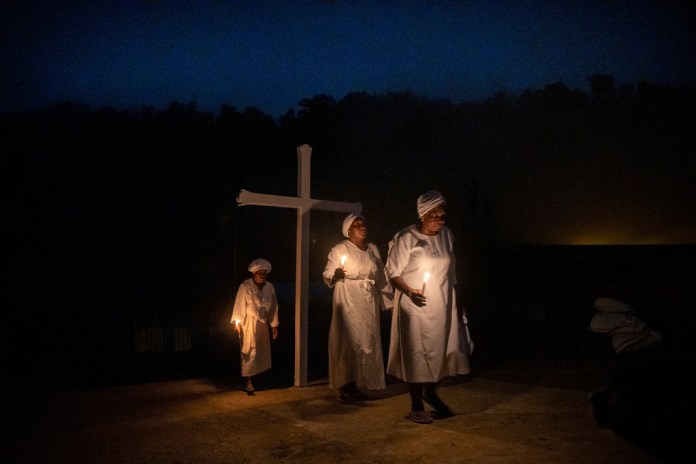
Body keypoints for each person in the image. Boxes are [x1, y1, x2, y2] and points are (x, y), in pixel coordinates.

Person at [384, 190, 471, 424]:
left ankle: (430, 391)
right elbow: (392, 272)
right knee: (416, 354)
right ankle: (416, 404)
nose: (440, 221)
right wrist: (409, 291)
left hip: (441, 304)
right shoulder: (406, 238)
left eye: (443, 216)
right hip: (414, 306)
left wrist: (459, 303)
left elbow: (452, 273)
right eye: (435, 216)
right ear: (423, 214)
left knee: (439, 351)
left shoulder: (447, 236)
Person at [322, 213, 393, 403]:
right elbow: (328, 274)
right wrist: (336, 275)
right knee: (348, 342)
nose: (362, 227)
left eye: (363, 223)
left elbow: (382, 277)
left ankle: (359, 384)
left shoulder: (373, 249)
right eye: (357, 225)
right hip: (347, 298)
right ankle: (345, 386)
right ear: (348, 230)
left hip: (367, 301)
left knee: (367, 341)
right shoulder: (339, 249)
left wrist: (389, 304)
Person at [230, 258, 279, 394]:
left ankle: (260, 380)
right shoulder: (245, 286)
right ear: (254, 272)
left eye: (264, 272)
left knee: (261, 353)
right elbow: (239, 305)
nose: (262, 274)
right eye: (259, 272)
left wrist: (274, 324)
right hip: (249, 325)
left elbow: (274, 306)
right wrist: (237, 322)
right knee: (250, 352)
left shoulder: (269, 287)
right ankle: (249, 382)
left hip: (262, 326)